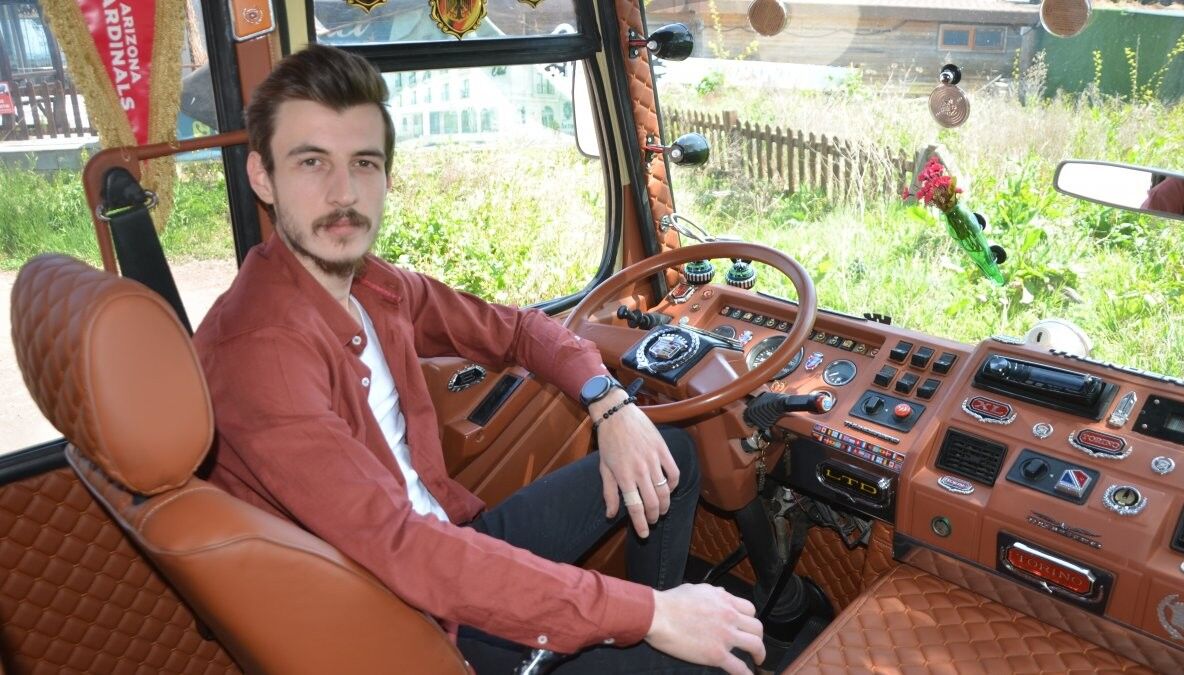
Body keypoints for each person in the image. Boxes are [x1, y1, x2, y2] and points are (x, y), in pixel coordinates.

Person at [192, 44, 764, 674]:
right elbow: (402, 549)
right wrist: (648, 616)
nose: (343, 192)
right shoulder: (258, 354)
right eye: (311, 162)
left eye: (364, 162)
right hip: (399, 625)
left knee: (667, 457)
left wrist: (610, 404)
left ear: (387, 177)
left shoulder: (374, 286)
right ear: (262, 176)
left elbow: (516, 330)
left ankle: (663, 636)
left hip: (445, 539)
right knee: (721, 662)